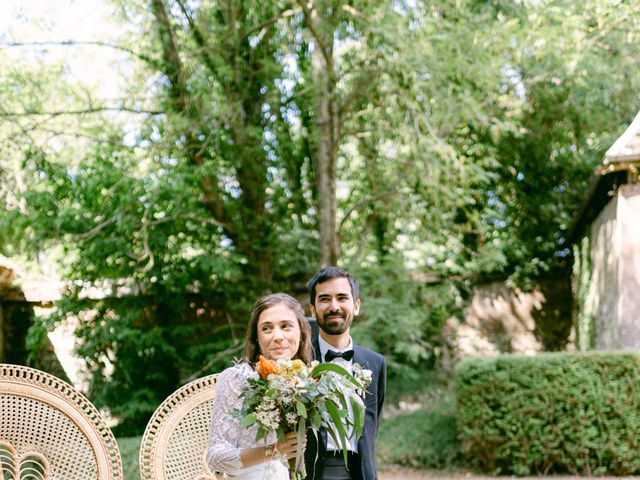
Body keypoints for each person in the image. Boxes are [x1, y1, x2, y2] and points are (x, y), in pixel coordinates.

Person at [206, 293, 313, 479]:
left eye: (286, 326)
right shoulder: (235, 379)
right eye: (267, 328)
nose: (278, 336)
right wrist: (273, 450)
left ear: (301, 333)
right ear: (257, 338)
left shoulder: (308, 381)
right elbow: (214, 457)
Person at [304, 267, 387, 480]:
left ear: (356, 305)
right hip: (312, 473)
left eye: (342, 298)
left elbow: (372, 425)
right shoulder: (298, 363)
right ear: (313, 309)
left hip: (362, 473)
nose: (334, 306)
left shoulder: (376, 363)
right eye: (324, 299)